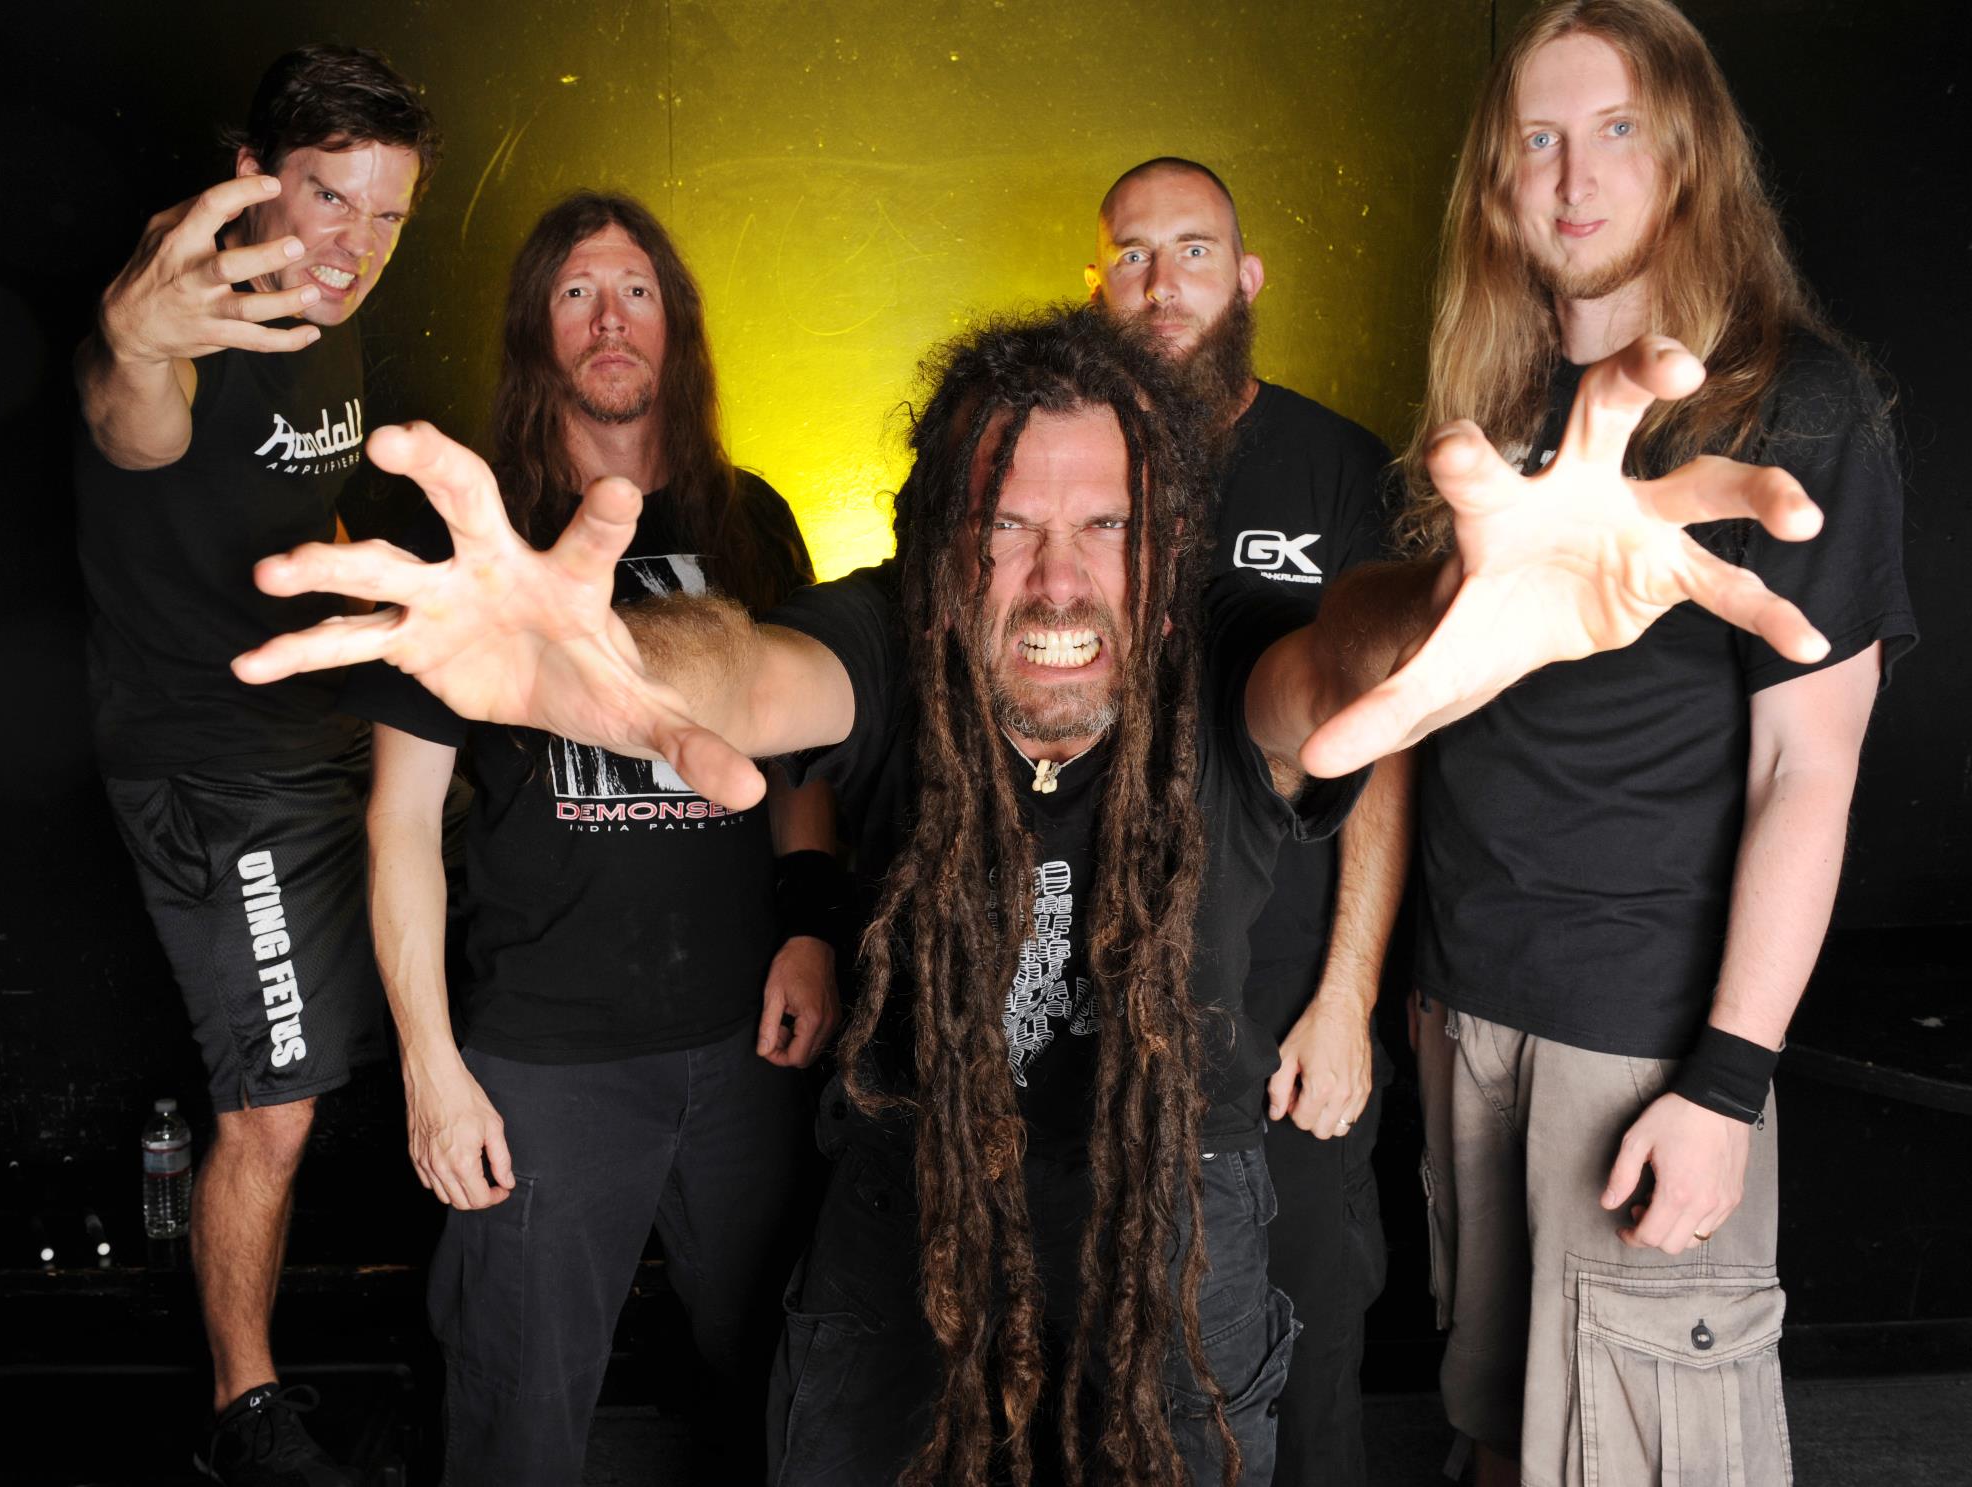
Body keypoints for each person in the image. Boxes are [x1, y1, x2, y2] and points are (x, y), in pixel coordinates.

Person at [233, 304, 1829, 1485]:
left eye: (1103, 529)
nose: (1059, 582)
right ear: (944, 544)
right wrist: (603, 657)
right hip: (906, 1201)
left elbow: (1336, 662)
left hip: (1183, 1209)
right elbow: (755, 672)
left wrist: (1462, 599)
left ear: (1166, 542)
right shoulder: (888, 637)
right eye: (1006, 531)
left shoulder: (1226, 650)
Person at [1389, 3, 1919, 1483]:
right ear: (1497, 180)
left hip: (1641, 1048)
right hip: (1467, 1015)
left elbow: (1809, 768)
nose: (1574, 178)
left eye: (1617, 130)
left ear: (1688, 156)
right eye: (1538, 140)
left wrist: (1727, 1083)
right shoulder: (1495, 409)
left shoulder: (1794, 406)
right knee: (1498, 1440)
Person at [357, 191, 841, 1485]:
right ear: (537, 328)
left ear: (677, 325)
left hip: (743, 1049)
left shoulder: (752, 520)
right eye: (577, 291)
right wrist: (431, 1067)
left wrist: (809, 928)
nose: (610, 317)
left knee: (786, 1402)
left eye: (636, 290)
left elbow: (802, 761)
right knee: (515, 1426)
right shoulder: (466, 541)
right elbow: (399, 821)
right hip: (544, 1062)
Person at [71, 44, 438, 1486]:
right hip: (213, 774)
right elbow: (135, 419)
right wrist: (131, 345)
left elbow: (285, 504)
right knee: (271, 1103)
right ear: (250, 175)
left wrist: (373, 604)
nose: (356, 243)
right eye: (328, 196)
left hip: (319, 732)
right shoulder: (189, 317)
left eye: (386, 214)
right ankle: (244, 1414)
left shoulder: (325, 317)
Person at [1088, 157, 1408, 1486]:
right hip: (1101, 983)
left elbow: (1390, 740)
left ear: (1249, 277)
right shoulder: (1065, 466)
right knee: (1111, 1340)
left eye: (1195, 251)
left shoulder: (1339, 467)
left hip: (1284, 998)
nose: (1163, 284)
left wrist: (1347, 997)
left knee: (1305, 1334)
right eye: (1134, 255)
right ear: (1098, 284)